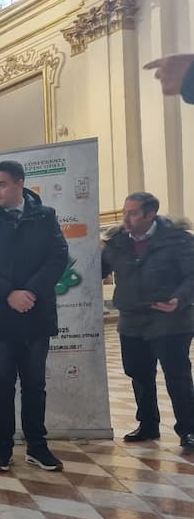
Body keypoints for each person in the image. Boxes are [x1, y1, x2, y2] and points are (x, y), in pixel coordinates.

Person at [0, 160, 68, 472]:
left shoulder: (45, 216)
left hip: (36, 313)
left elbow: (58, 256)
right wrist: (9, 293)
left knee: (35, 384)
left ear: (20, 184)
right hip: (0, 317)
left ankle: (37, 445)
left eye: (2, 184)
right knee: (3, 383)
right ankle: (4, 447)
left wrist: (30, 292)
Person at [101, 192, 194, 450]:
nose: (125, 218)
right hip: (132, 320)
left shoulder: (177, 239)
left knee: (177, 376)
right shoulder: (117, 242)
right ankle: (148, 424)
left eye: (132, 213)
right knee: (139, 374)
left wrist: (179, 299)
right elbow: (97, 270)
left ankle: (189, 429)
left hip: (170, 319)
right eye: (124, 212)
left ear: (150, 214)